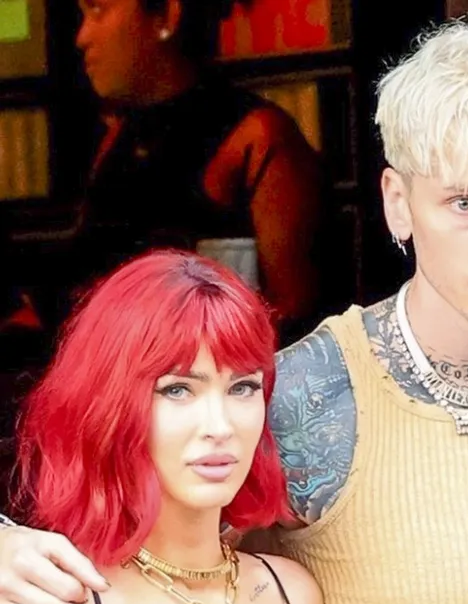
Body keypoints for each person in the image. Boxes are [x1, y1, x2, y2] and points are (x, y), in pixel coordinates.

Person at [2, 14, 468, 604]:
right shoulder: (301, 395)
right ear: (398, 202)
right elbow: (160, 562)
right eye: (464, 202)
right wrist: (7, 548)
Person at [0, 250, 323, 604]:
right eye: (178, 390)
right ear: (110, 406)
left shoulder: (293, 596)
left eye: (242, 387)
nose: (220, 426)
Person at [52, 0, 336, 346]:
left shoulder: (256, 139)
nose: (82, 37)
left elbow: (299, 325)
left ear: (166, 16)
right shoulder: (117, 141)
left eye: (98, 10)